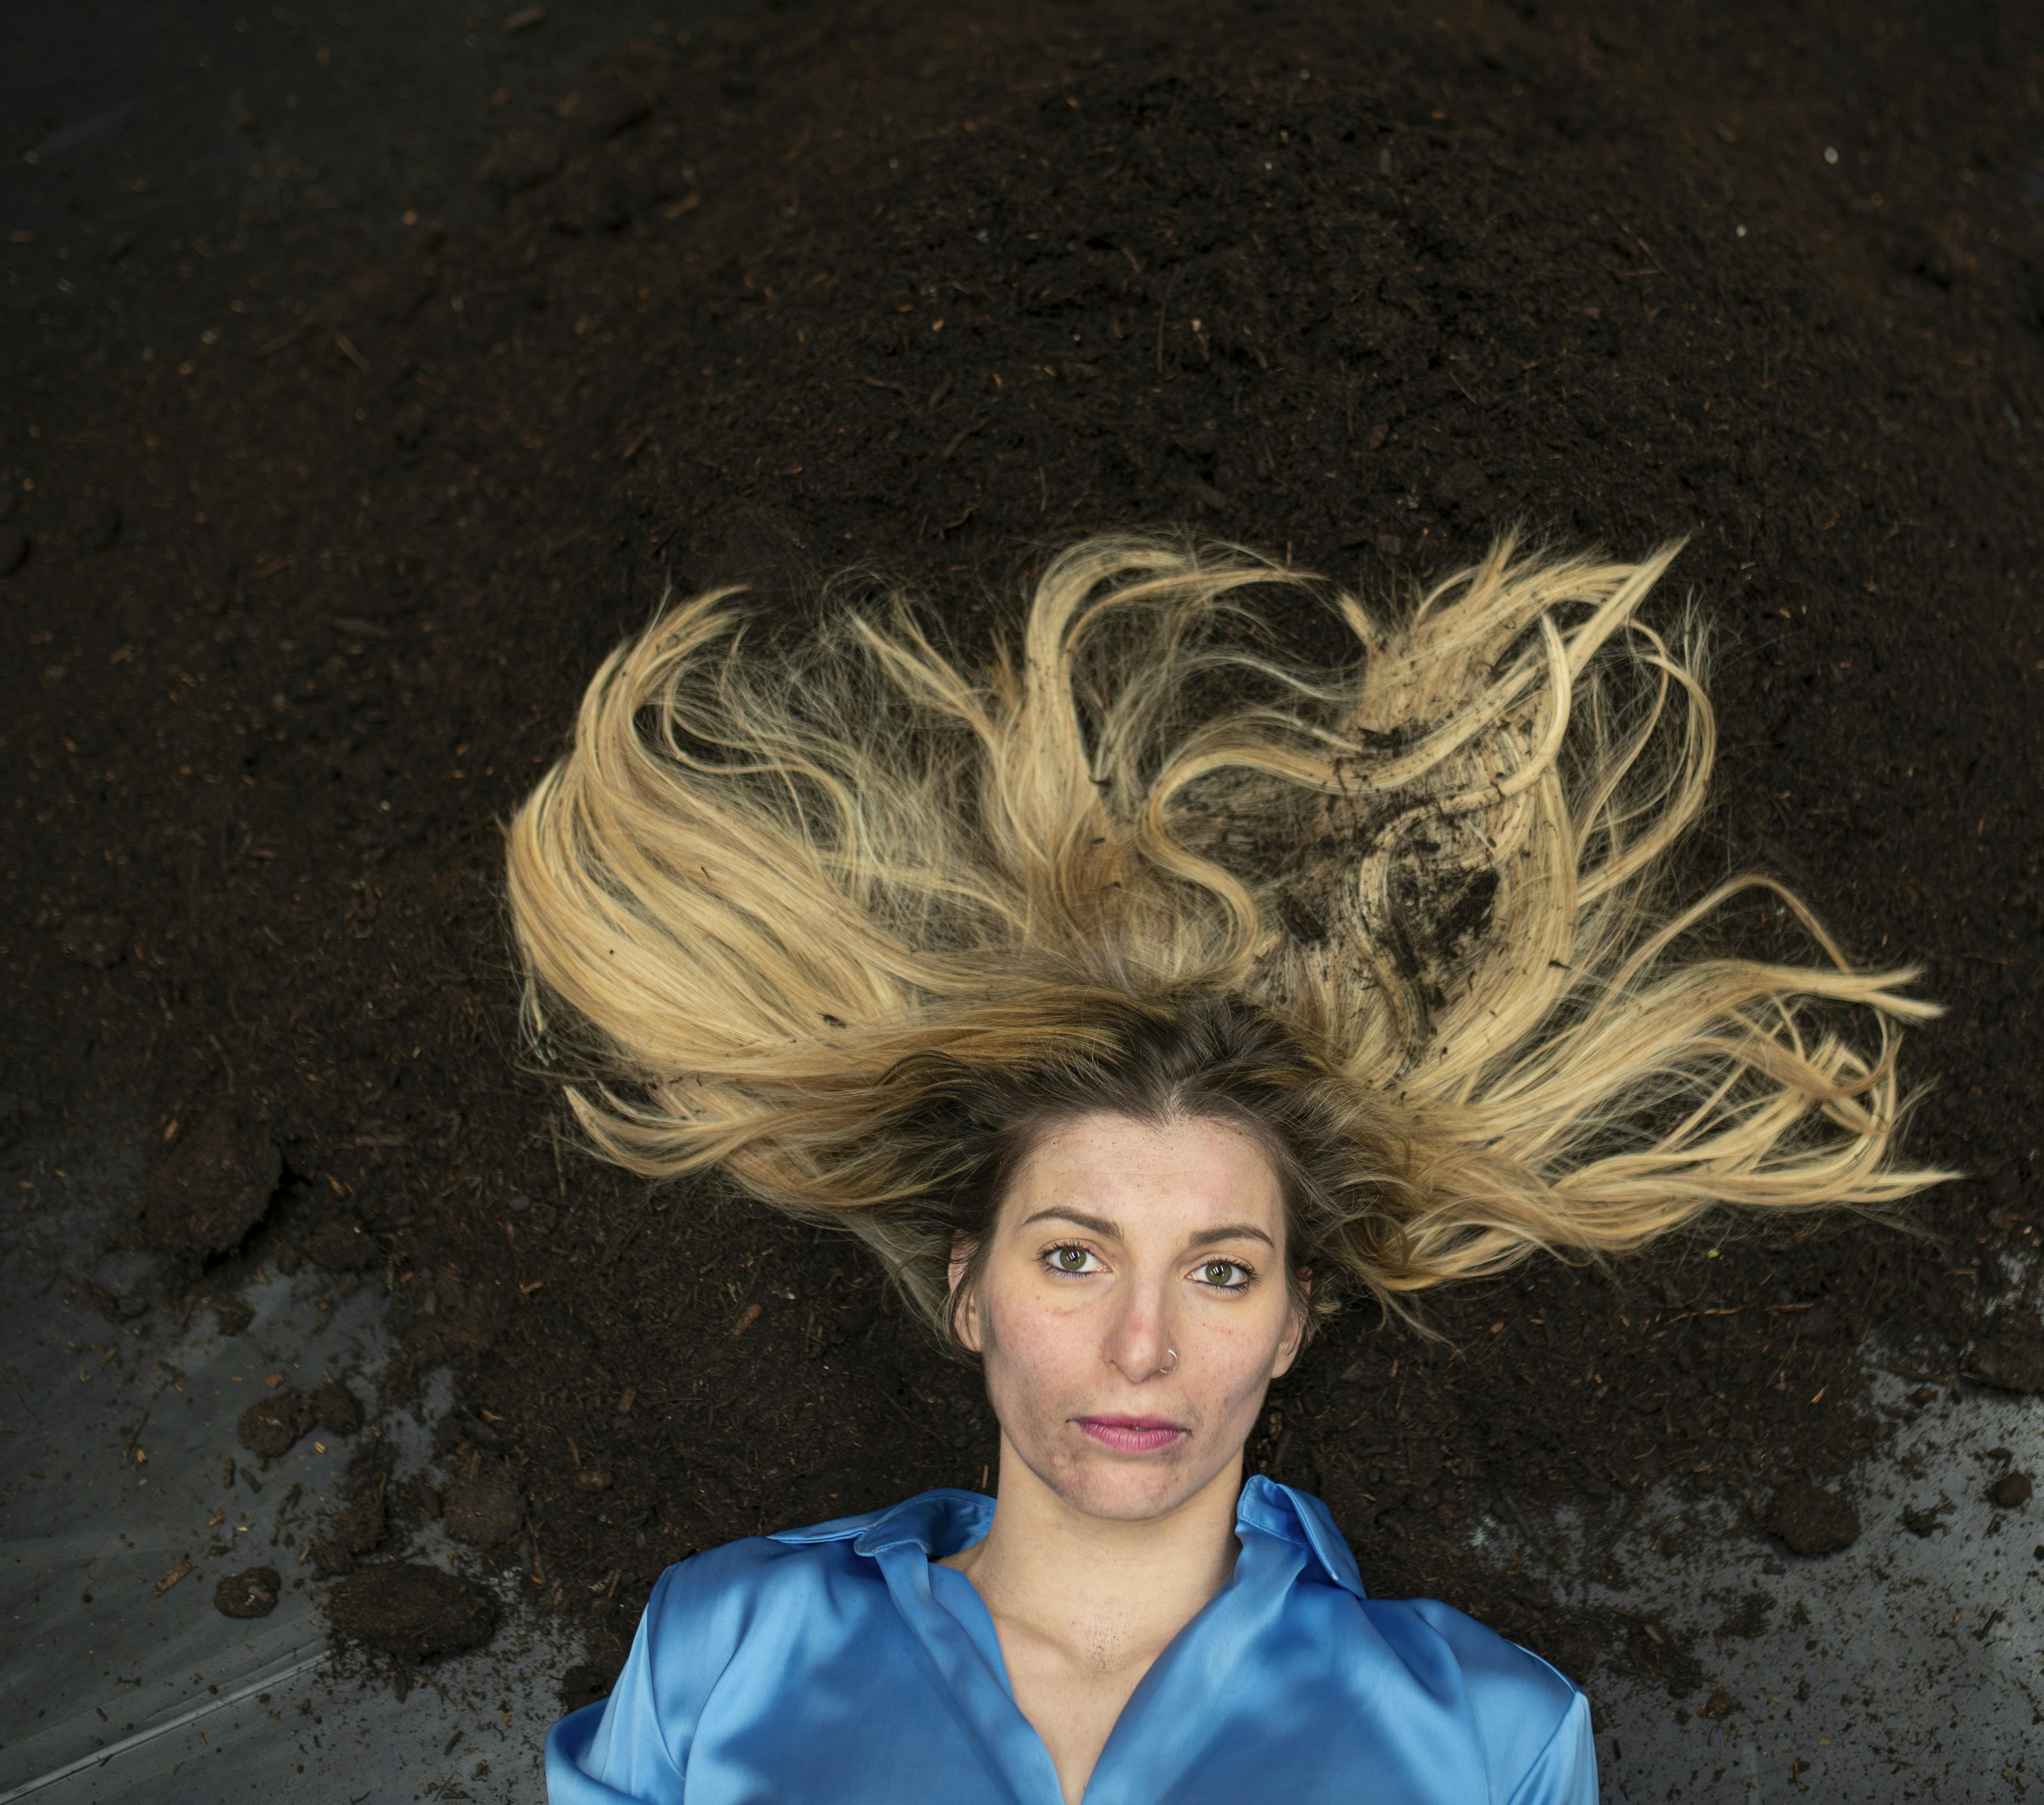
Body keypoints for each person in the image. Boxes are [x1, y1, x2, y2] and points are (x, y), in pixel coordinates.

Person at [509, 529, 1944, 1803]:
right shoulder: (729, 1650)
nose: (1143, 1348)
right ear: (968, 1291)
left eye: (1220, 1271)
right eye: (1073, 1256)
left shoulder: (1485, 1740)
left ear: (1293, 1322)